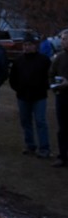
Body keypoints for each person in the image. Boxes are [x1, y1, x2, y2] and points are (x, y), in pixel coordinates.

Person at [9, 33, 52, 158]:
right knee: (25, 122)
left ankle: (44, 148)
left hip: (39, 96)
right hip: (23, 96)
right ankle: (30, 145)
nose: (26, 47)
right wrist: (18, 89)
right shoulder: (18, 61)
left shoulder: (44, 60)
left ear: (35, 46)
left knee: (40, 122)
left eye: (29, 45)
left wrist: (44, 87)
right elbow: (13, 78)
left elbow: (49, 77)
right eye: (25, 45)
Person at [49, 28, 68, 167]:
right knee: (62, 128)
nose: (63, 41)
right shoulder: (59, 57)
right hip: (61, 97)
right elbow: (51, 74)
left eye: (65, 39)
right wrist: (54, 86)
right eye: (62, 39)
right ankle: (62, 156)